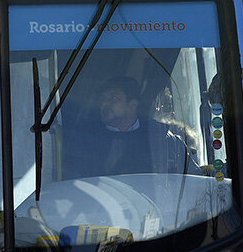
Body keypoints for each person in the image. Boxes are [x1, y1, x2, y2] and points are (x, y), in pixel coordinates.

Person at [68, 76, 197, 178]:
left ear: (133, 105)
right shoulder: (85, 142)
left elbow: (193, 180)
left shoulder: (165, 141)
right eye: (103, 99)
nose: (105, 104)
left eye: (113, 98)